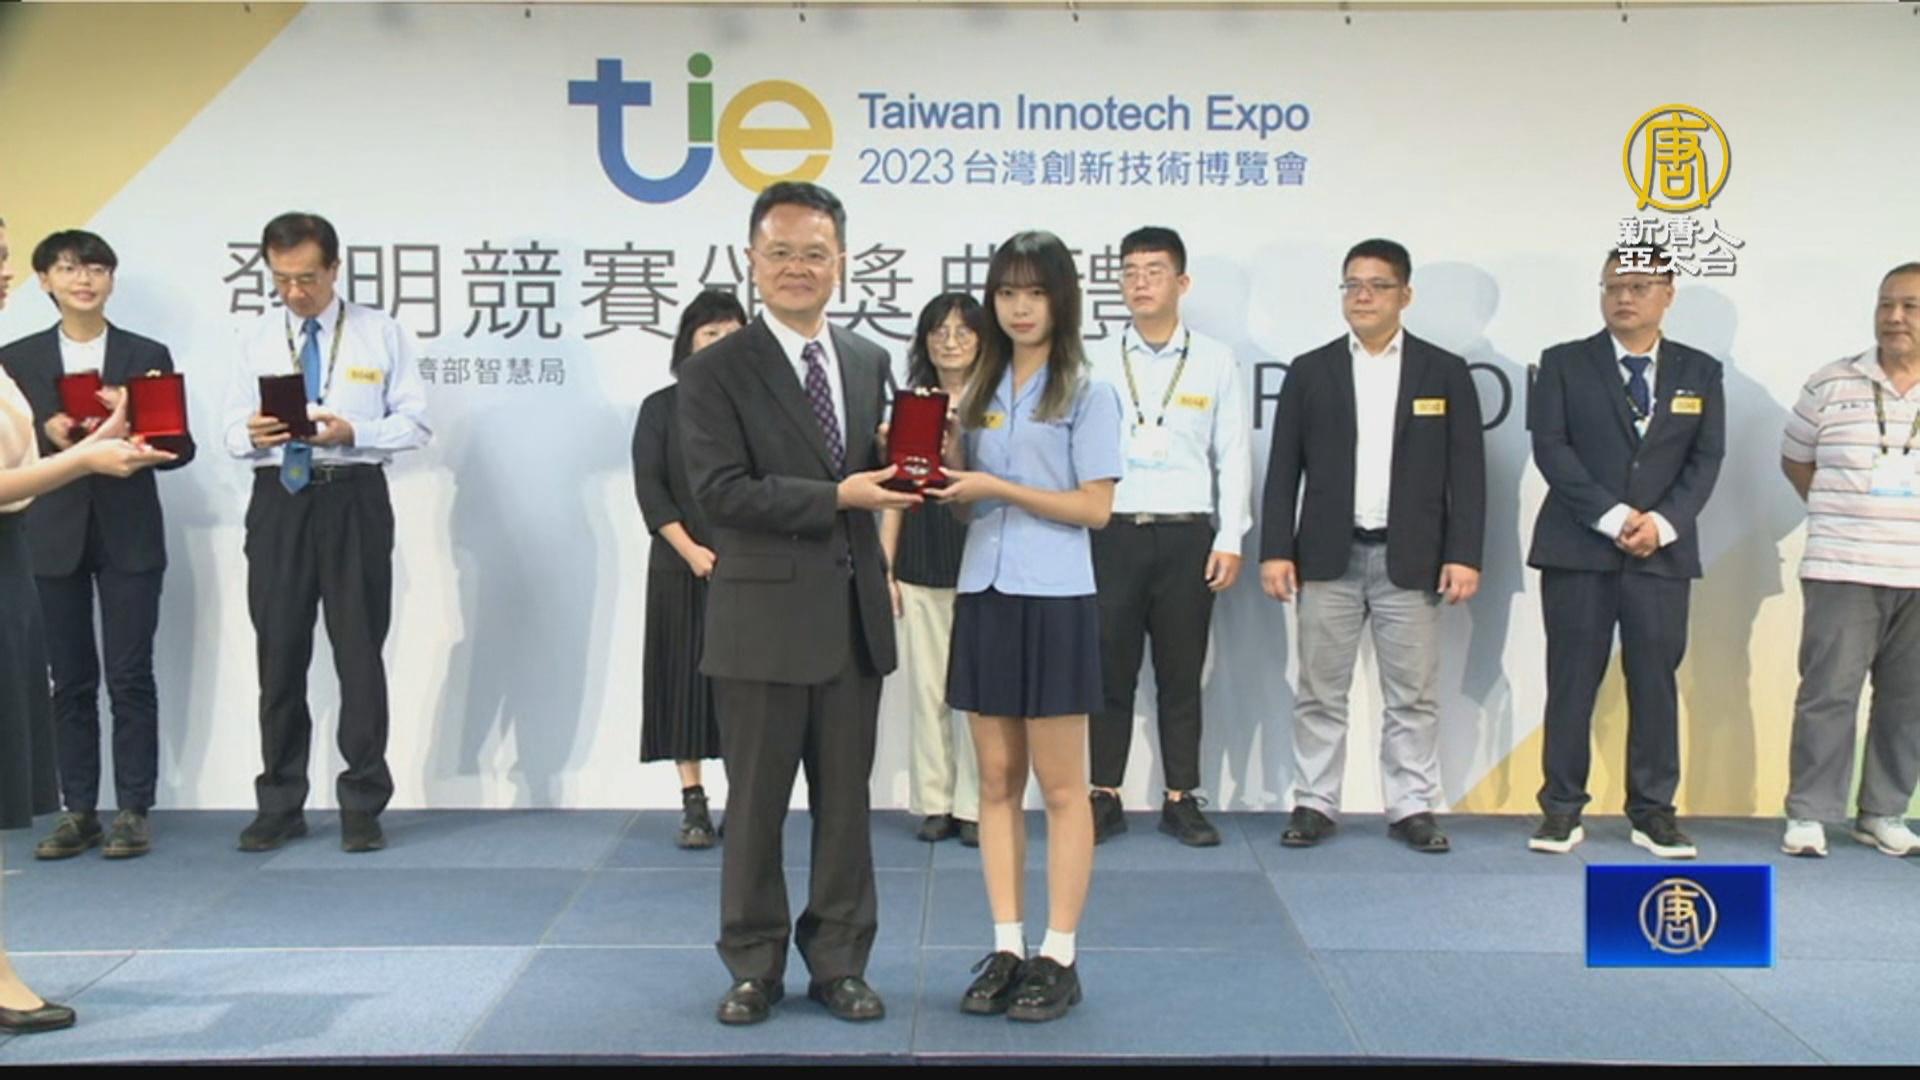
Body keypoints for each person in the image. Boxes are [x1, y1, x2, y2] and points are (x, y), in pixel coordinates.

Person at [676, 182, 917, 1026]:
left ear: (840, 262)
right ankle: (753, 965)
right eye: (780, 252)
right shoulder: (714, 370)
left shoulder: (866, 360)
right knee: (755, 809)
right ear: (751, 259)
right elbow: (719, 493)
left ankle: (841, 962)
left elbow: (868, 467)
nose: (797, 267)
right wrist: (839, 496)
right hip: (761, 624)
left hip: (852, 620)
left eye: (815, 253)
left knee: (847, 810)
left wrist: (905, 459)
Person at [937, 230, 1123, 1023]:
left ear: (1061, 299)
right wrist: (942, 457)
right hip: (985, 589)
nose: (1019, 307)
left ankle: (1061, 954)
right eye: (1007, 292)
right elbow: (967, 503)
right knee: (996, 783)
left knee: (1062, 787)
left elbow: (1096, 508)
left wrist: (998, 486)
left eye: (1035, 292)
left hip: (1055, 597)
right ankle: (1008, 946)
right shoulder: (978, 384)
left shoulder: (1086, 388)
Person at [1, 214, 176, 1034]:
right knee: (68, 683)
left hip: (102, 534)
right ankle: (78, 809)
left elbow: (172, 443)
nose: (3, 270)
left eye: (4, 254)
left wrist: (111, 433)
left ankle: (132, 807)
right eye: (63, 267)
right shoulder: (17, 358)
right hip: (41, 538)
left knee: (128, 674)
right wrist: (72, 449)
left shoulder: (143, 352)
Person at [1258, 238, 1485, 854]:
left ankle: (1411, 806)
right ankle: (1314, 802)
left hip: (1410, 558)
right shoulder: (1311, 370)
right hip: (1327, 557)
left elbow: (1467, 472)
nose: (1362, 296)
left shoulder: (1443, 372)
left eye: (1377, 285)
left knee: (1412, 695)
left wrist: (1464, 553)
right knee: (1319, 691)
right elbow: (1283, 470)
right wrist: (1276, 549)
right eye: (1352, 284)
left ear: (1405, 295)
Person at [222, 211, 430, 855]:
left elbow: (417, 424)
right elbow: (228, 432)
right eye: (282, 279)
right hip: (279, 501)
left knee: (359, 652)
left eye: (307, 278)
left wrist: (353, 432)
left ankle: (362, 802)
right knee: (279, 654)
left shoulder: (380, 332)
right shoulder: (254, 337)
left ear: (335, 269)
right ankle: (280, 802)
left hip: (353, 496)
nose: (295, 292)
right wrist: (251, 433)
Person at [1526, 247, 1724, 858]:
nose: (1624, 298)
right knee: (1571, 682)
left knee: (1655, 684)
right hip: (1579, 548)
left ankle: (1653, 811)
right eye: (1613, 286)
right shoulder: (1564, 363)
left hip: (1660, 556)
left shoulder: (1700, 370)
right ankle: (1561, 809)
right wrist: (1612, 517)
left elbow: (1705, 458)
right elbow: (1552, 448)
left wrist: (1661, 524)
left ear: (1668, 294)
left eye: (1639, 286)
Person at [1085, 226, 1251, 847]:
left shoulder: (1214, 359)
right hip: (1112, 533)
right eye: (1129, 272)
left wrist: (1230, 536)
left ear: (1182, 282)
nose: (1140, 283)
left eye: (1154, 271)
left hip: (1187, 537)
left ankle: (1182, 797)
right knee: (1108, 673)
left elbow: (1233, 454)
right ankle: (1103, 793)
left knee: (1181, 676)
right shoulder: (1095, 358)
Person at [1778, 261, 1920, 858]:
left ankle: (1884, 811)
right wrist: (1843, 514)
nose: (1894, 317)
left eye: (1910, 306)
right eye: (1886, 304)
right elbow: (1796, 461)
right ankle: (1810, 813)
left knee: (1909, 700)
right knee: (1828, 693)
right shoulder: (1831, 382)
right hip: (1842, 566)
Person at [632, 290, 746, 849]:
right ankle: (693, 800)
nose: (720, 344)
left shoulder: (760, 409)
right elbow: (651, 490)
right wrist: (691, 550)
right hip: (679, 566)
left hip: (748, 569)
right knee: (683, 682)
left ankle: (746, 799)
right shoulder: (661, 408)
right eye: (709, 334)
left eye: (732, 335)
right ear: (688, 343)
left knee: (745, 691)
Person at [880, 293, 984, 847]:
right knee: (927, 690)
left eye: (963, 330)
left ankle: (976, 804)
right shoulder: (911, 405)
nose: (951, 341)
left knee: (979, 693)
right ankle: (936, 801)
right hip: (922, 558)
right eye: (939, 331)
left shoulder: (999, 402)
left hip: (984, 559)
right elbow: (896, 492)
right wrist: (886, 567)